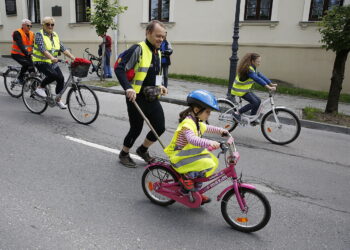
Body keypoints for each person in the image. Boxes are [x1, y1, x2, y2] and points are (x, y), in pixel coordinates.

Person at [115, 20, 168, 168]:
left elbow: (156, 73)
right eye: (158, 36)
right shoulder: (138, 49)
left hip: (152, 95)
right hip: (136, 97)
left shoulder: (157, 52)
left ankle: (142, 150)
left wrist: (160, 86)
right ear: (148, 33)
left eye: (163, 37)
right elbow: (119, 69)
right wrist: (128, 88)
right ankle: (124, 153)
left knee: (160, 127)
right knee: (136, 128)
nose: (161, 39)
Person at [164, 89, 229, 204]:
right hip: (179, 158)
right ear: (196, 109)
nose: (209, 115)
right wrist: (210, 143)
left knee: (210, 162)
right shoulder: (187, 123)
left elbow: (208, 128)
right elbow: (192, 139)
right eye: (208, 112)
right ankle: (186, 180)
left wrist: (222, 131)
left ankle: (195, 192)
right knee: (206, 164)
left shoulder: (196, 121)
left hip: (188, 155)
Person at [32, 16, 75, 109]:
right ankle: (40, 88)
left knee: (61, 78)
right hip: (40, 61)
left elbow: (62, 48)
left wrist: (72, 57)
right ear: (43, 25)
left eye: (52, 24)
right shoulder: (39, 34)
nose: (50, 26)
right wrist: (51, 57)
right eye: (48, 24)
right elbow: (42, 49)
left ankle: (58, 99)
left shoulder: (55, 35)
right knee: (54, 75)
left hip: (51, 61)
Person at [230, 53, 277, 125]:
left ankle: (252, 119)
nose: (259, 63)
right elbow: (257, 79)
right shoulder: (248, 70)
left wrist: (270, 83)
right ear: (252, 61)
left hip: (245, 89)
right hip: (239, 90)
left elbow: (260, 76)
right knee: (254, 102)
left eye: (260, 61)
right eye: (258, 61)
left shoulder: (253, 69)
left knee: (258, 101)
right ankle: (237, 113)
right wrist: (268, 87)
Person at [10, 19, 35, 84]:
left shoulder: (32, 33)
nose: (29, 27)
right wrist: (28, 54)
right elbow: (20, 45)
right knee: (27, 64)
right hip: (17, 54)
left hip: (27, 54)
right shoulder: (17, 33)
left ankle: (34, 84)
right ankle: (20, 78)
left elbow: (35, 44)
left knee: (32, 69)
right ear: (23, 25)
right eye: (28, 26)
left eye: (30, 26)